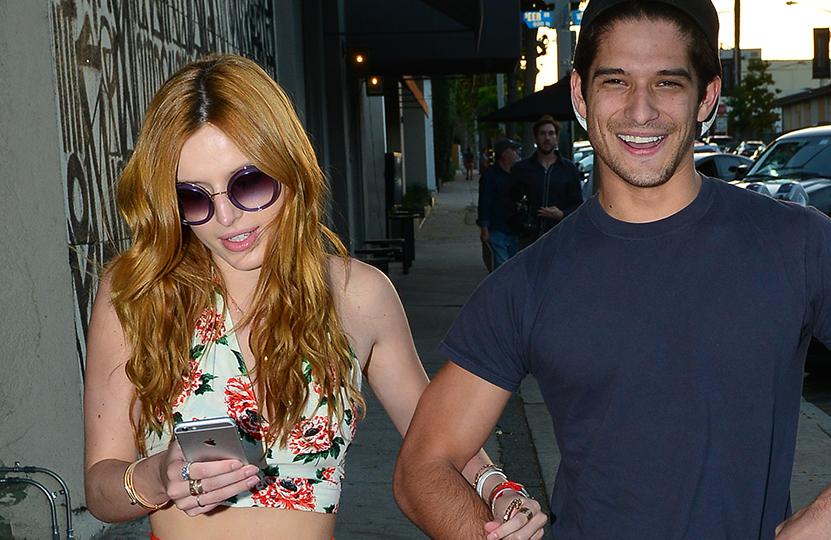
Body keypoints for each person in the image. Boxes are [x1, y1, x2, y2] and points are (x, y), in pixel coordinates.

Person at [394, 1, 831, 539]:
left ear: (706, 96)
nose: (641, 111)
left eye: (667, 81)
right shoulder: (526, 286)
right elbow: (424, 466)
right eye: (615, 81)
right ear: (579, 95)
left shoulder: (796, 244)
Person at [82, 54, 546, 540]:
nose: (226, 218)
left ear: (290, 167)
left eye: (249, 183)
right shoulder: (137, 291)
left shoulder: (358, 295)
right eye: (194, 196)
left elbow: (440, 438)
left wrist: (499, 490)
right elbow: (100, 486)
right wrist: (157, 477)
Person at [507, 115, 583, 248]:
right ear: (535, 138)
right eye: (542, 134)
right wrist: (517, 207)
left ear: (557, 138)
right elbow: (506, 199)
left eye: (551, 134)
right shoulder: (521, 169)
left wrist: (562, 214)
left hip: (560, 238)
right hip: (528, 239)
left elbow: (577, 204)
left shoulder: (569, 169)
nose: (547, 138)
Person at [478, 139, 523, 271]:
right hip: (497, 228)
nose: (517, 153)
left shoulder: (517, 174)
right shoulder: (490, 176)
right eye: (513, 151)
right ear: (504, 154)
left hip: (515, 229)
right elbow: (484, 202)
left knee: (515, 267)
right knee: (502, 268)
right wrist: (484, 229)